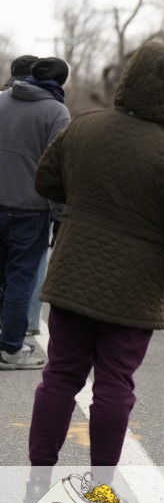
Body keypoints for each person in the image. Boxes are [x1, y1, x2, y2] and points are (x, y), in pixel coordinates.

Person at [28, 41, 164, 476]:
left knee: (61, 375)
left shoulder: (85, 125)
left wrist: (82, 203)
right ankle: (101, 485)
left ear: (129, 81)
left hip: (73, 271)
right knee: (114, 384)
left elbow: (46, 180)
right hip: (136, 286)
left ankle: (37, 478)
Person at [0, 57, 71, 370]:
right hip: (30, 209)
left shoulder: (1, 100)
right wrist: (60, 216)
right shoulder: (56, 112)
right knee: (20, 280)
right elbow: (60, 170)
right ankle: (10, 350)